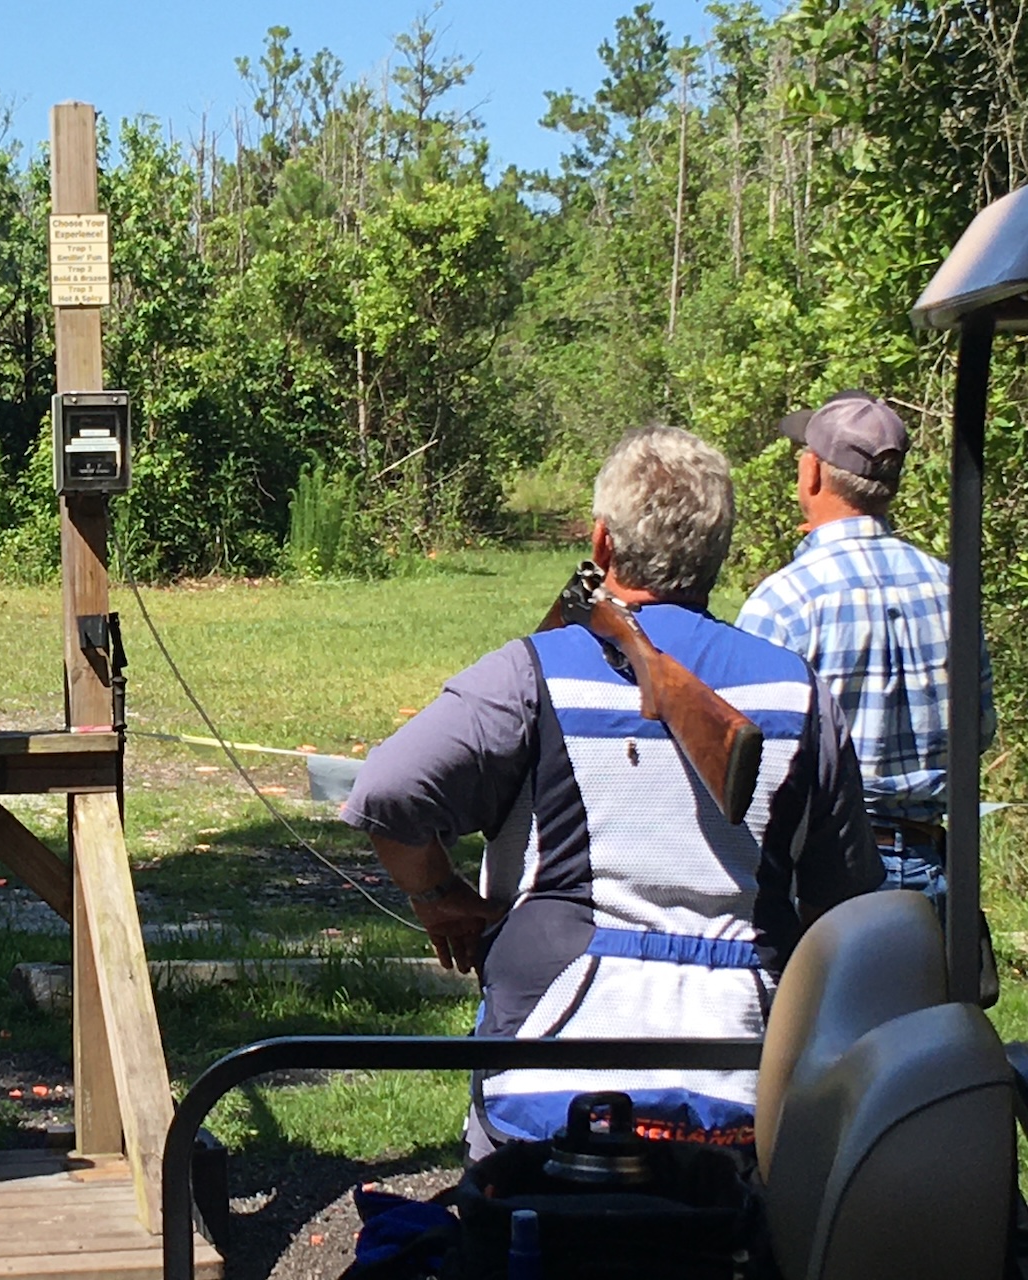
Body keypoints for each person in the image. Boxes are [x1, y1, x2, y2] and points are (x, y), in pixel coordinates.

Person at [340, 426, 879, 1156]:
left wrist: (437, 896)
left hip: (549, 1078)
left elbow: (385, 789)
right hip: (748, 1083)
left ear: (601, 545)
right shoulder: (801, 692)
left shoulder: (531, 674)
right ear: (717, 548)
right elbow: (837, 914)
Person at [737, 390, 997, 910]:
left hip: (824, 871)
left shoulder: (785, 601)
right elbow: (980, 729)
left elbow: (744, 764)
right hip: (932, 867)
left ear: (812, 474)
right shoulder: (950, 588)